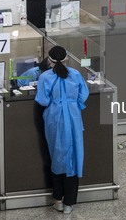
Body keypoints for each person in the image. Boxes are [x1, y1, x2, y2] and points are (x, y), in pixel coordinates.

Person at [35, 46, 89, 214]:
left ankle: (57, 199)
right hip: (73, 117)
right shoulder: (76, 74)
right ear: (67, 59)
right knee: (73, 157)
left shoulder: (45, 77)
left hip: (54, 118)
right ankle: (69, 203)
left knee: (56, 157)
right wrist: (74, 104)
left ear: (49, 61)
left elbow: (42, 100)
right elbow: (83, 95)